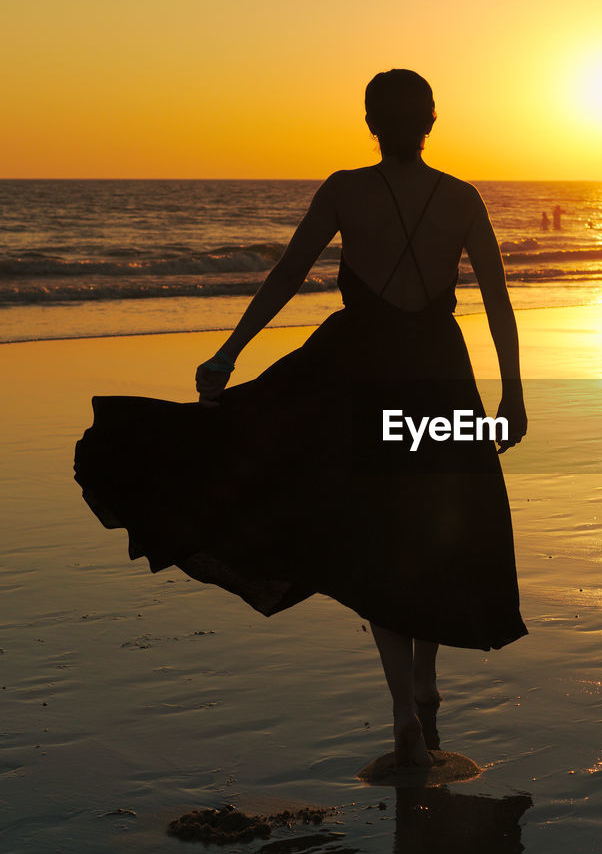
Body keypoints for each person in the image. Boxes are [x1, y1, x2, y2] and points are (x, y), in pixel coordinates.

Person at [74, 69, 528, 770]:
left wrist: (230, 352)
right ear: (430, 120)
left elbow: (288, 275)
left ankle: (406, 710)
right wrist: (514, 395)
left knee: (376, 528)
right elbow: (497, 301)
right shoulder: (462, 199)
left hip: (357, 368)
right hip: (440, 372)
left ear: (372, 122)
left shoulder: (346, 188)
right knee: (438, 517)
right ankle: (427, 686)